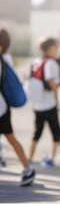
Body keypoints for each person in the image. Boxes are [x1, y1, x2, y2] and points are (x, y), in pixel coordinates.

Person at [0, 28, 36, 185]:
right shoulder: (5, 59)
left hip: (1, 109)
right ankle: (27, 169)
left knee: (11, 139)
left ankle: (28, 169)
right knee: (11, 139)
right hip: (2, 108)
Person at [28, 37, 60, 167]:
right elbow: (52, 82)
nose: (56, 51)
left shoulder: (36, 62)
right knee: (55, 131)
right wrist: (57, 99)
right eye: (54, 49)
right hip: (49, 104)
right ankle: (52, 157)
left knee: (37, 132)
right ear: (49, 50)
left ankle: (30, 156)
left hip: (37, 104)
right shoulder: (51, 63)